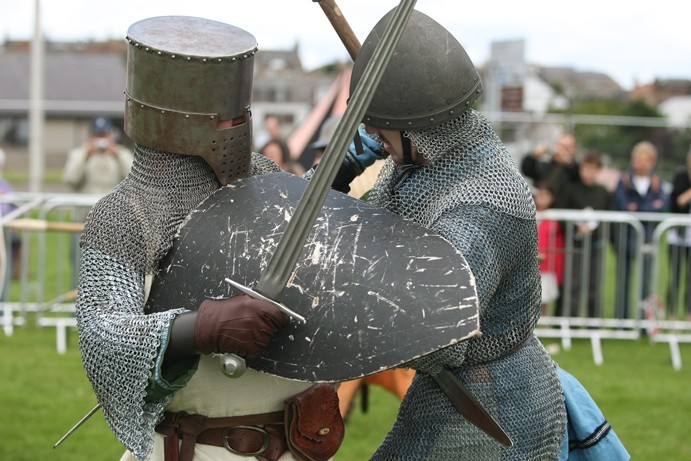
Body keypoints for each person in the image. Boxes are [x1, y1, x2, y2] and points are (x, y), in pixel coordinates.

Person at [75, 16, 341, 461]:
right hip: (197, 448)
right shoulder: (125, 216)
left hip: (295, 443)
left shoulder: (266, 180)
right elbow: (105, 336)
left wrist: (339, 175)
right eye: (225, 119)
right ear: (180, 121)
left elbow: (303, 247)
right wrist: (198, 328)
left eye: (241, 115)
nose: (236, 128)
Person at [337, 9, 567, 459]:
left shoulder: (482, 205)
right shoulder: (423, 165)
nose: (368, 131)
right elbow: (360, 238)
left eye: (377, 120)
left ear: (416, 124)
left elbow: (428, 330)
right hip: (457, 387)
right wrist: (332, 179)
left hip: (493, 400)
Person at [612, 141, 670, 319]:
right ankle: (621, 321)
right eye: (636, 158)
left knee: (646, 282)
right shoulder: (624, 181)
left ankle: (644, 321)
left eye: (643, 159)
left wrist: (637, 207)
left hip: (648, 238)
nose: (638, 162)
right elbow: (622, 205)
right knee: (623, 281)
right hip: (626, 237)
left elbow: (662, 206)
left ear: (651, 161)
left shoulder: (657, 183)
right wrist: (648, 207)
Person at [560, 151, 612, 318]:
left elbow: (609, 217)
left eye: (592, 169)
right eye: (585, 168)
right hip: (575, 246)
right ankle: (571, 319)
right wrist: (576, 229)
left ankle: (593, 321)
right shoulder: (571, 189)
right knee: (573, 284)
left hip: (596, 246)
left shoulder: (603, 192)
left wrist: (595, 229)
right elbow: (562, 214)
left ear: (598, 171)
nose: (588, 173)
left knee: (594, 285)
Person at [62, 116, 134, 195]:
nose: (101, 139)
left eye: (104, 135)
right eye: (97, 135)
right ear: (90, 136)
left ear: (111, 135)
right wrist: (85, 156)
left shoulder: (122, 153)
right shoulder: (78, 154)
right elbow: (71, 180)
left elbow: (133, 179)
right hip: (87, 204)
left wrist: (118, 155)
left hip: (113, 204)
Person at [521, 132, 580, 206]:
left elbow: (577, 175)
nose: (562, 150)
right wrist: (533, 156)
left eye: (566, 147)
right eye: (560, 146)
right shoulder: (546, 164)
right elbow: (528, 170)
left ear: (573, 149)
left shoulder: (574, 169)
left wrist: (568, 163)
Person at [667, 148, 691, 320]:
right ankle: (672, 312)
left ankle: (689, 313)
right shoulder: (681, 177)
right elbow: (678, 202)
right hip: (678, 234)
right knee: (675, 276)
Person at [534, 182, 565, 316]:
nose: (542, 198)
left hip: (547, 264)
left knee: (545, 296)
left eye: (546, 195)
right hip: (532, 264)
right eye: (540, 195)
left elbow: (557, 243)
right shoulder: (530, 214)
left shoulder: (554, 217)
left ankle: (545, 322)